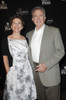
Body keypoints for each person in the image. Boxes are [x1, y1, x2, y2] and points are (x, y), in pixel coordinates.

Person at [26, 6, 65, 100]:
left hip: (50, 72)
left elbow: (61, 51)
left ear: (45, 18)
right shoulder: (29, 34)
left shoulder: (54, 31)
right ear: (32, 19)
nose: (38, 18)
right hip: (36, 74)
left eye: (41, 16)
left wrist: (46, 65)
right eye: (35, 16)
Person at [2, 15, 37, 100]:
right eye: (14, 23)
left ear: (22, 26)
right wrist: (9, 74)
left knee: (26, 95)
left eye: (19, 23)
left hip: (27, 71)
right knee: (14, 95)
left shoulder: (26, 39)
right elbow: (5, 58)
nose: (16, 25)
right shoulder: (5, 40)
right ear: (11, 25)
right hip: (13, 72)